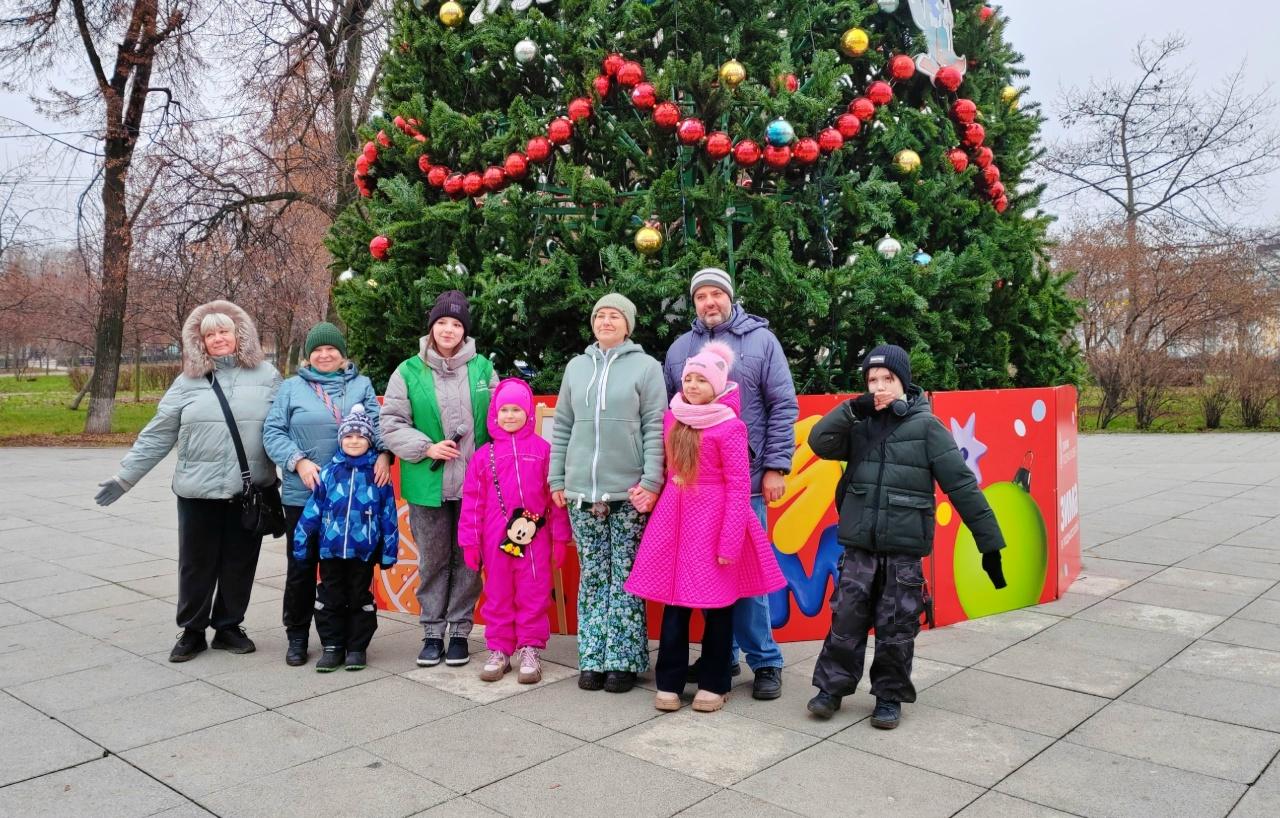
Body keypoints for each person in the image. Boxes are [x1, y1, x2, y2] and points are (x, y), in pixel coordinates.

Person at [805, 344, 1007, 728]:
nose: (880, 387)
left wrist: (990, 543)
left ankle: (889, 696)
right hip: (860, 546)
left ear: (904, 383)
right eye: (872, 380)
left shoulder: (928, 428)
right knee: (845, 620)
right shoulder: (859, 426)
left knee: (896, 626)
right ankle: (831, 688)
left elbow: (963, 487)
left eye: (888, 379)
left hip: (903, 549)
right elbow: (818, 442)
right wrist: (852, 409)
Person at [94, 300, 282, 662]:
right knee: (196, 563)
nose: (218, 339)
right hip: (198, 491)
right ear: (200, 342)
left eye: (224, 331)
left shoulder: (268, 377)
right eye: (209, 334)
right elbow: (157, 434)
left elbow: (283, 430)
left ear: (239, 334)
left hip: (248, 492)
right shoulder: (187, 383)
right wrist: (125, 477)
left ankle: (228, 626)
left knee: (239, 562)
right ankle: (192, 630)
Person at [626, 342, 786, 713]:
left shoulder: (731, 427)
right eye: (689, 379)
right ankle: (669, 681)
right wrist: (648, 494)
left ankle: (715, 682)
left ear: (718, 386)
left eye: (702, 380)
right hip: (673, 521)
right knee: (675, 605)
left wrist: (730, 541)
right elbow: (666, 470)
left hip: (713, 524)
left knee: (718, 607)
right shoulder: (673, 417)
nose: (694, 385)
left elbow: (737, 487)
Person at [662, 267, 797, 701]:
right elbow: (672, 411)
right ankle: (723, 658)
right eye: (700, 296)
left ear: (730, 297)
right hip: (691, 493)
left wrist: (776, 465)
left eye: (715, 294)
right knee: (704, 580)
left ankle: (765, 660)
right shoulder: (682, 348)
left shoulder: (761, 342)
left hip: (747, 483)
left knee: (743, 577)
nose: (708, 302)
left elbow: (782, 406)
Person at [549, 293, 666, 694]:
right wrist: (557, 479)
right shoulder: (577, 367)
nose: (606, 321)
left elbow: (655, 427)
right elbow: (562, 425)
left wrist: (651, 482)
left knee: (626, 577)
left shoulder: (647, 368)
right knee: (593, 576)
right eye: (600, 315)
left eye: (614, 316)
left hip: (628, 493)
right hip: (582, 493)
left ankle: (624, 660)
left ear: (628, 324)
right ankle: (593, 657)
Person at [263, 322, 392, 667]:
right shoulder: (291, 388)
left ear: (342, 354)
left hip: (352, 498)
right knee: (302, 567)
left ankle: (347, 641)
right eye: (317, 350)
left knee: (348, 572)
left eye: (331, 349)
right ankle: (298, 634)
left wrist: (384, 454)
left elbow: (378, 427)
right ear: (308, 356)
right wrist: (298, 461)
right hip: (304, 492)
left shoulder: (361, 385)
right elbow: (272, 431)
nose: (324, 355)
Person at [382, 290, 498, 668]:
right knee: (432, 560)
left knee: (468, 559)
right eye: (442, 322)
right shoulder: (408, 371)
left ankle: (461, 631)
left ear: (465, 331)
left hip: (474, 486)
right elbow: (392, 423)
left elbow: (499, 420)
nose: (448, 329)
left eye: (456, 324)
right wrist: (426, 447)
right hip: (427, 484)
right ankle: (432, 631)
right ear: (431, 327)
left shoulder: (482, 369)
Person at [459, 378, 572, 684]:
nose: (510, 415)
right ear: (495, 414)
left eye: (516, 409)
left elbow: (556, 499)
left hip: (535, 540)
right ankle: (499, 649)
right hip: (495, 538)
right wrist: (470, 542)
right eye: (504, 410)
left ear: (528, 414)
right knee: (497, 594)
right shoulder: (484, 455)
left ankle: (530, 648)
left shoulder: (544, 451)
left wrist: (561, 537)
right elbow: (472, 501)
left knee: (533, 593)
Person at [292, 406, 399, 672]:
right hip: (330, 551)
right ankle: (332, 645)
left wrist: (389, 551)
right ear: (341, 439)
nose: (354, 441)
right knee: (329, 598)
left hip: (362, 552)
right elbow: (312, 512)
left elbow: (388, 515)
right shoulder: (328, 473)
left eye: (361, 437)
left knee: (359, 598)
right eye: (349, 436)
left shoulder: (378, 475)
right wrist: (302, 543)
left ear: (370, 440)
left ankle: (356, 647)